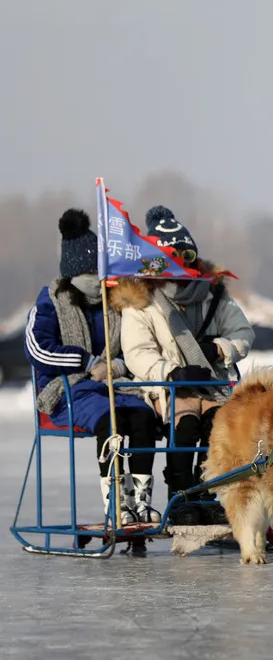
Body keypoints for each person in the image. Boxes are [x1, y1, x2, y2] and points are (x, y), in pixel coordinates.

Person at [114, 206, 255, 526]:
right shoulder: (142, 299)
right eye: (172, 257)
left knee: (218, 428)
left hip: (212, 382)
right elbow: (137, 352)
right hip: (170, 387)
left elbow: (243, 332)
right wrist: (172, 371)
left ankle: (206, 495)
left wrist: (219, 349)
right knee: (186, 427)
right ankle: (180, 498)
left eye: (187, 255)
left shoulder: (212, 293)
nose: (182, 264)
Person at [25, 209, 162, 529]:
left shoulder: (112, 302)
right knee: (110, 419)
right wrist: (87, 362)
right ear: (74, 271)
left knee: (142, 416)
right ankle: (115, 502)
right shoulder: (51, 301)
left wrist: (117, 365)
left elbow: (132, 345)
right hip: (68, 390)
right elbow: (37, 348)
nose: (96, 277)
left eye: (99, 270)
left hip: (115, 385)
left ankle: (140, 502)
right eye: (90, 271)